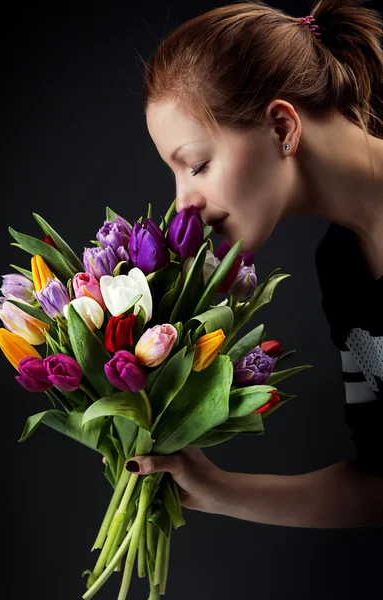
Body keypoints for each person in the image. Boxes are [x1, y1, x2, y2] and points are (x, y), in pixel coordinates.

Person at [103, 0, 383, 528]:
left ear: (281, 127)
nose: (184, 202)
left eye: (198, 164)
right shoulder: (341, 266)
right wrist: (214, 489)